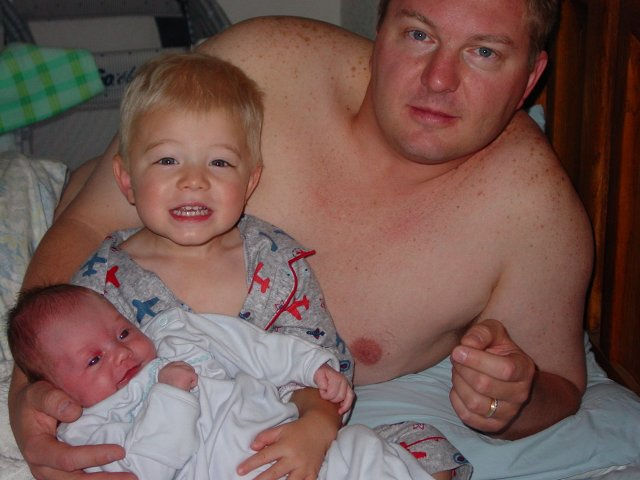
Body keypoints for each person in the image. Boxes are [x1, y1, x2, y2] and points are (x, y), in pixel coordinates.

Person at [9, 0, 594, 479]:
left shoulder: (535, 215)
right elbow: (87, 224)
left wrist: (511, 396)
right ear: (381, 32)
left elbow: (562, 386)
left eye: (484, 51)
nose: (439, 79)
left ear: (530, 77)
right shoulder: (262, 67)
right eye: (418, 34)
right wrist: (28, 393)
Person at [62, 49, 470, 480]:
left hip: (276, 440)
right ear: (126, 179)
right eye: (167, 160)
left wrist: (316, 427)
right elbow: (72, 389)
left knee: (424, 450)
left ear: (250, 180)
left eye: (219, 162)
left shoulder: (276, 262)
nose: (194, 180)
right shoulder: (100, 284)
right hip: (179, 458)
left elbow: (319, 370)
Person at [7, 284, 439, 480]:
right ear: (58, 389)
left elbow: (255, 347)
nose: (121, 353)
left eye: (122, 332)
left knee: (363, 446)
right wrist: (170, 395)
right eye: (93, 359)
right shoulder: (88, 431)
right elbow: (149, 468)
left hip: (302, 449)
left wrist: (312, 368)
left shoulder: (175, 335)